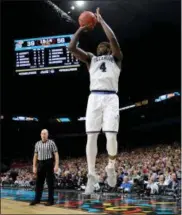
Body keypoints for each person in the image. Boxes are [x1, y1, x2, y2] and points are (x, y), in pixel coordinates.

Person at [68, 8, 123, 194]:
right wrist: (81, 28)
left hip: (111, 98)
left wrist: (101, 21)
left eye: (103, 45)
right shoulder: (91, 59)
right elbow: (71, 48)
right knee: (91, 136)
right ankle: (91, 174)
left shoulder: (116, 58)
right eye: (99, 45)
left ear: (107, 49)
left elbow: (113, 39)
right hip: (94, 97)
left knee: (111, 136)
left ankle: (110, 166)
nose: (101, 46)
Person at [30, 129, 59, 206]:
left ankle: (50, 200)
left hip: (49, 162)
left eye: (45, 133)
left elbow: (56, 154)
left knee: (50, 183)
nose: (44, 135)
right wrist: (34, 166)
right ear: (40, 134)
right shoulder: (37, 144)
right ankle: (37, 199)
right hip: (40, 163)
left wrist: (56, 165)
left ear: (47, 135)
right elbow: (35, 156)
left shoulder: (51, 143)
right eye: (42, 133)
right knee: (39, 183)